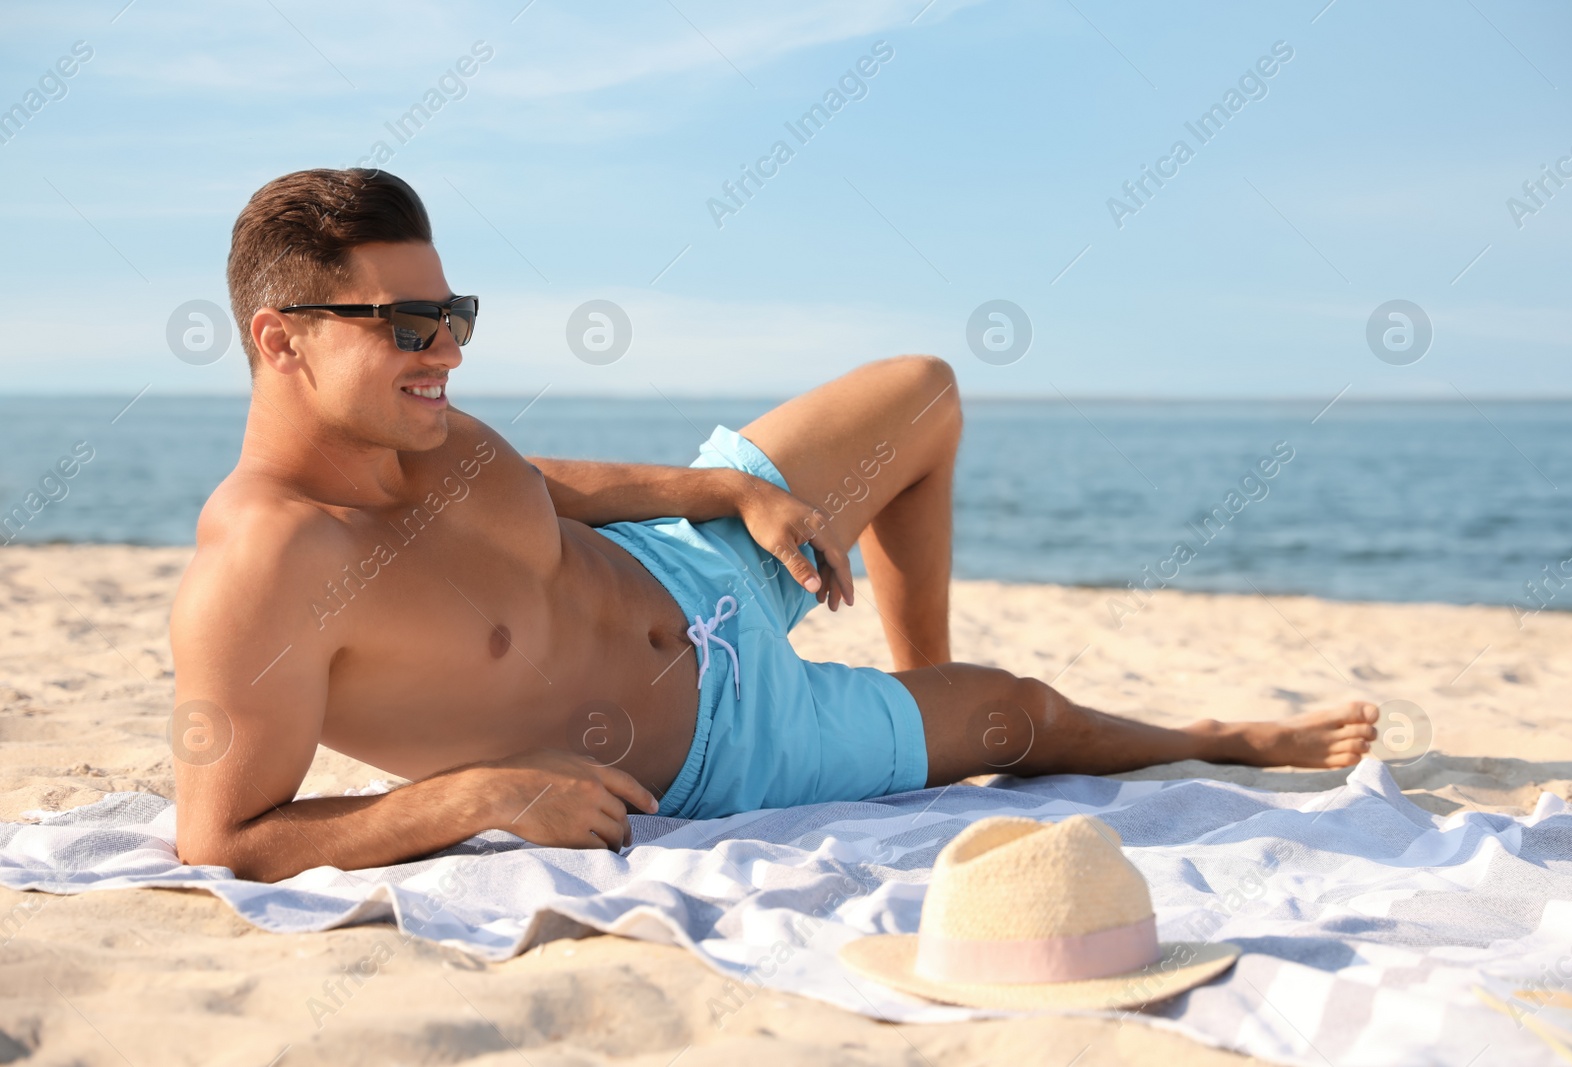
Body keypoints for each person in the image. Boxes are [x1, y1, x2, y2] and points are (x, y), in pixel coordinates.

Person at [170, 168, 1377, 882]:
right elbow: (220, 838)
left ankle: (917, 673)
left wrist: (729, 491)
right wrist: (476, 797)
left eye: (455, 310)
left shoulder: (418, 426)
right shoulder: (268, 562)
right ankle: (1224, 736)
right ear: (283, 339)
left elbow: (548, 487)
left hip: (691, 559)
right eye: (409, 323)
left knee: (925, 392)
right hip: (724, 742)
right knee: (1025, 714)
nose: (451, 346)